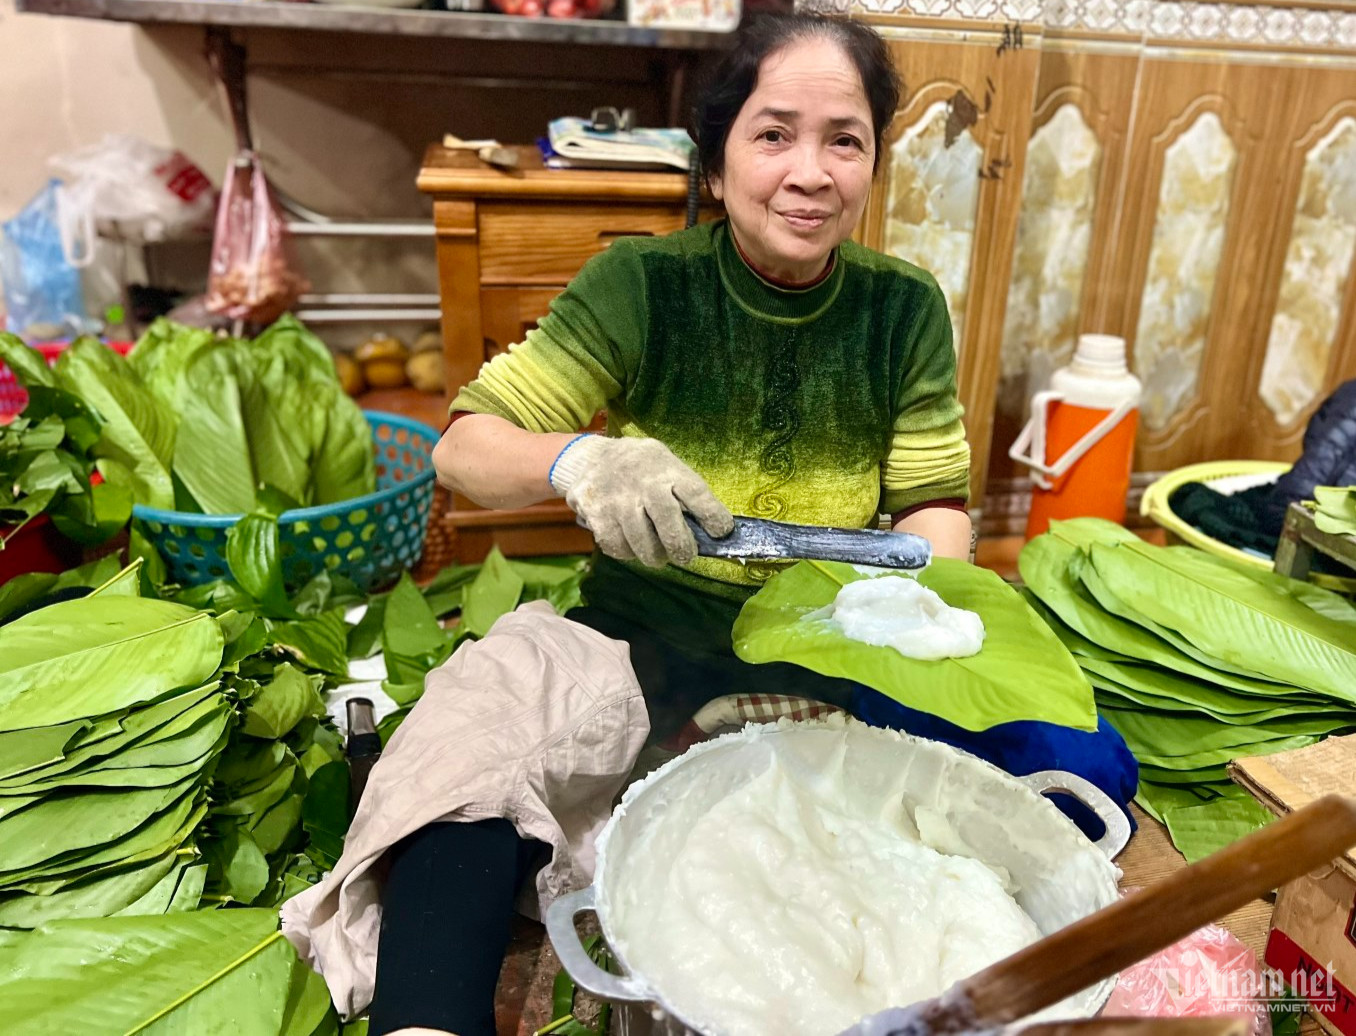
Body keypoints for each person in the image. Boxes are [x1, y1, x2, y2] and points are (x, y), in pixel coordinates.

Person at [370, 14, 975, 1035]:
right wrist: (578, 460)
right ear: (717, 162)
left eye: (845, 140)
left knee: (1053, 770)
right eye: (773, 135)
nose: (811, 173)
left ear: (874, 162)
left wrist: (913, 609)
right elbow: (463, 449)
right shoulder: (643, 285)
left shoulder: (903, 308)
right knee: (472, 744)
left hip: (831, 647)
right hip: (638, 644)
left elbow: (933, 511)